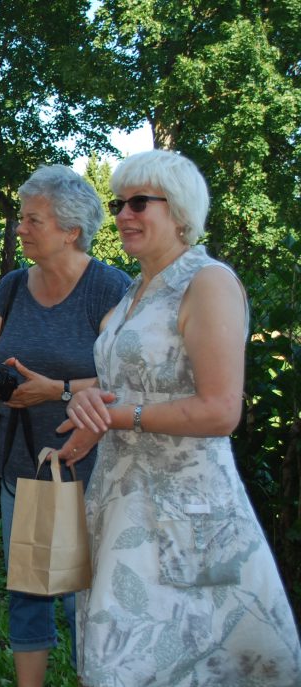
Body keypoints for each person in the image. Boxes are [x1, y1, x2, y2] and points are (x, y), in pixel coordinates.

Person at [56, 149, 301, 685]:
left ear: (182, 211)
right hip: (122, 502)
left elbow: (220, 410)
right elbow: (129, 388)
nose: (123, 214)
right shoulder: (133, 293)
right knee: (123, 659)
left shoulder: (207, 283)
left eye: (140, 202)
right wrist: (88, 413)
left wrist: (118, 417)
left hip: (187, 514)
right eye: (119, 203)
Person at [0, 165, 130, 687]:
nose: (20, 228)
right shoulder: (13, 287)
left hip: (93, 471)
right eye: (21, 217)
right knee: (31, 591)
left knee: (87, 595)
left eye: (32, 219)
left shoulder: (109, 289)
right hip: (27, 465)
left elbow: (128, 382)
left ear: (70, 230)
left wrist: (57, 391)